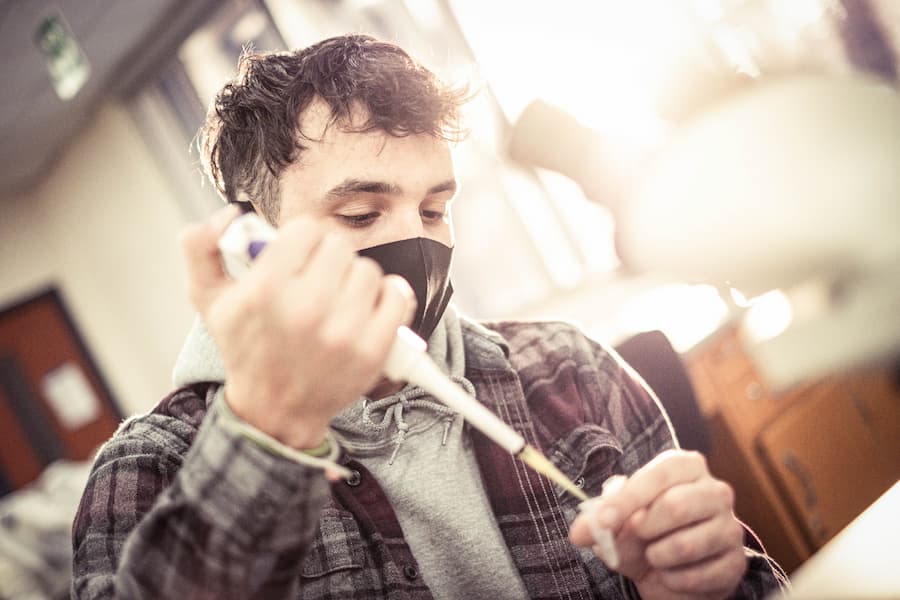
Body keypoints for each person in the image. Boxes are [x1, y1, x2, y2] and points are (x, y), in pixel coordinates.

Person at [71, 34, 787, 599]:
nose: (414, 242)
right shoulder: (151, 471)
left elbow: (750, 583)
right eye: (359, 212)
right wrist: (267, 435)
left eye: (435, 208)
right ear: (250, 240)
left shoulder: (571, 371)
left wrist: (700, 586)